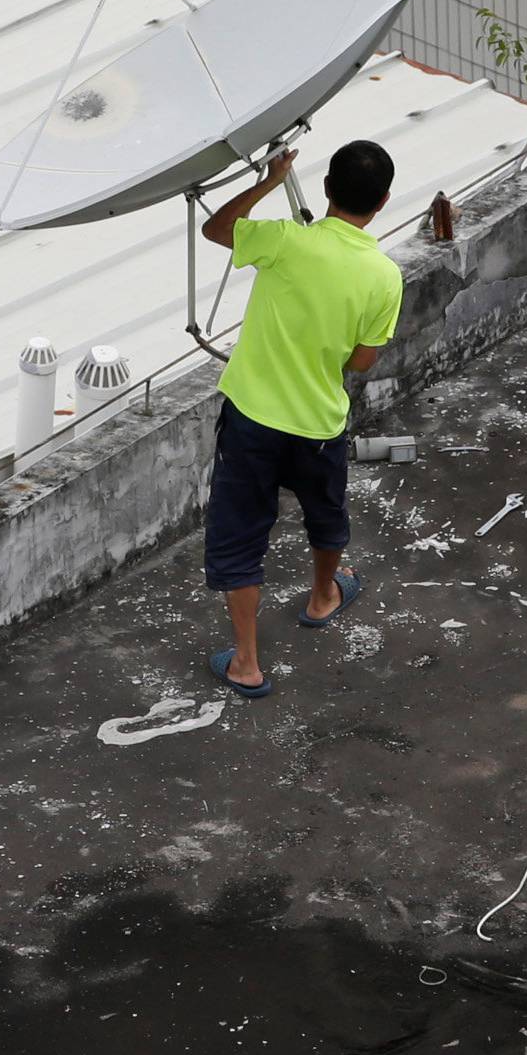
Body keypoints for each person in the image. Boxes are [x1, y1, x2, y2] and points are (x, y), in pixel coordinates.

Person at [199, 139, 403, 697]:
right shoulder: (384, 276)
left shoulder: (284, 241)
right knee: (325, 513)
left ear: (327, 189)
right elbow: (361, 359)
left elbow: (216, 230)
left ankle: (246, 663)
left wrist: (271, 178)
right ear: (383, 201)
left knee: (241, 534)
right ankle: (322, 597)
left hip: (251, 420)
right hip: (318, 424)